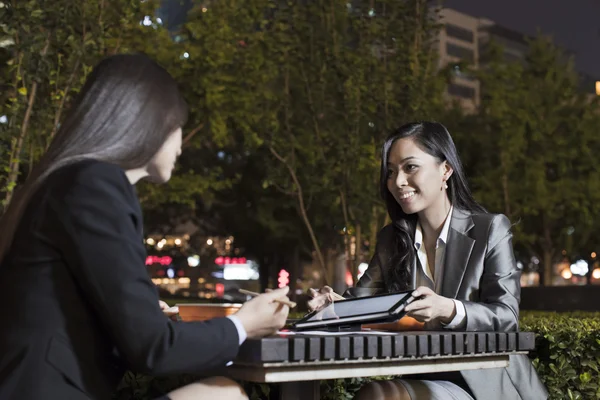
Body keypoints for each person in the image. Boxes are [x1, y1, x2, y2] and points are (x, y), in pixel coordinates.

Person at [0, 54, 290, 400]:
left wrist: (144, 318)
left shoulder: (63, 183)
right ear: (150, 121)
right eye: (179, 125)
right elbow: (153, 349)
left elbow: (114, 335)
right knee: (221, 395)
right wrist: (243, 325)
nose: (182, 144)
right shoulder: (96, 185)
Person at [309, 122, 547, 400]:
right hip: (422, 377)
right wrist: (331, 307)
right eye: (391, 171)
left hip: (487, 385)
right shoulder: (392, 239)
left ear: (445, 170)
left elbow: (507, 317)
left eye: (410, 167)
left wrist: (448, 309)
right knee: (374, 395)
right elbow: (359, 304)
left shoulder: (490, 229)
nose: (397, 181)